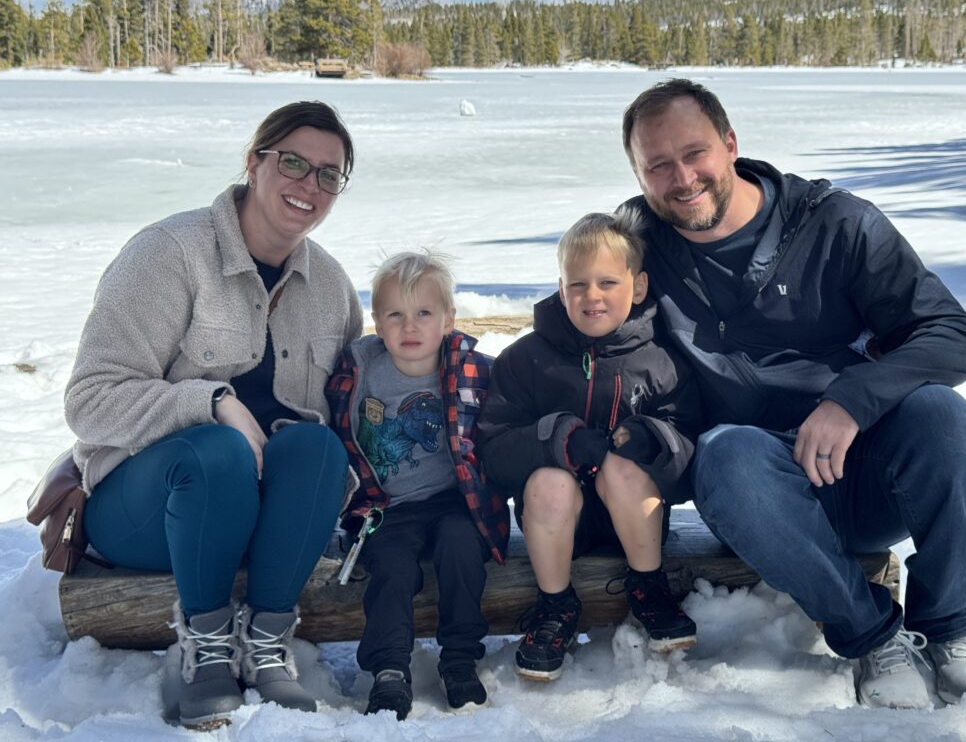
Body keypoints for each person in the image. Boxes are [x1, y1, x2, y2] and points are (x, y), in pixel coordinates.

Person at [619, 78, 966, 708]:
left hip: (869, 476)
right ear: (639, 176)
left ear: (730, 144)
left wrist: (851, 399)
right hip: (760, 503)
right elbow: (577, 314)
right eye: (657, 165)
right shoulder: (641, 243)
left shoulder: (835, 224)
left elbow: (957, 336)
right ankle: (873, 637)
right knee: (726, 451)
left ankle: (951, 626)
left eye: (694, 153)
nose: (682, 178)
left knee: (947, 418)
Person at [64, 101, 363, 729]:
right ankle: (206, 647)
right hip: (148, 508)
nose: (309, 186)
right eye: (293, 163)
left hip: (263, 517)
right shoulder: (168, 254)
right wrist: (212, 401)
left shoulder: (332, 288)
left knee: (319, 450)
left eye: (328, 175)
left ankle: (267, 639)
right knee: (217, 451)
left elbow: (347, 412)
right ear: (254, 164)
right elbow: (89, 398)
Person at [477, 211, 702, 682]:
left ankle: (649, 588)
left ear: (637, 288)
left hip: (636, 524)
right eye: (577, 284)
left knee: (624, 465)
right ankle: (555, 606)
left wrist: (650, 438)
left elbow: (688, 442)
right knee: (546, 481)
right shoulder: (526, 360)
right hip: (559, 526)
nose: (591, 296)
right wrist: (559, 441)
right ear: (561, 290)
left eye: (606, 282)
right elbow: (494, 450)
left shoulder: (662, 362)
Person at [325, 251, 509, 720]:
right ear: (377, 323)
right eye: (396, 315)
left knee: (462, 548)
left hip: (455, 502)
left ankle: (461, 657)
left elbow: (507, 426)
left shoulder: (472, 370)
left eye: (424, 313)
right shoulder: (359, 374)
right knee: (391, 566)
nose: (410, 327)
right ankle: (389, 670)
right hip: (388, 507)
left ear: (448, 319)